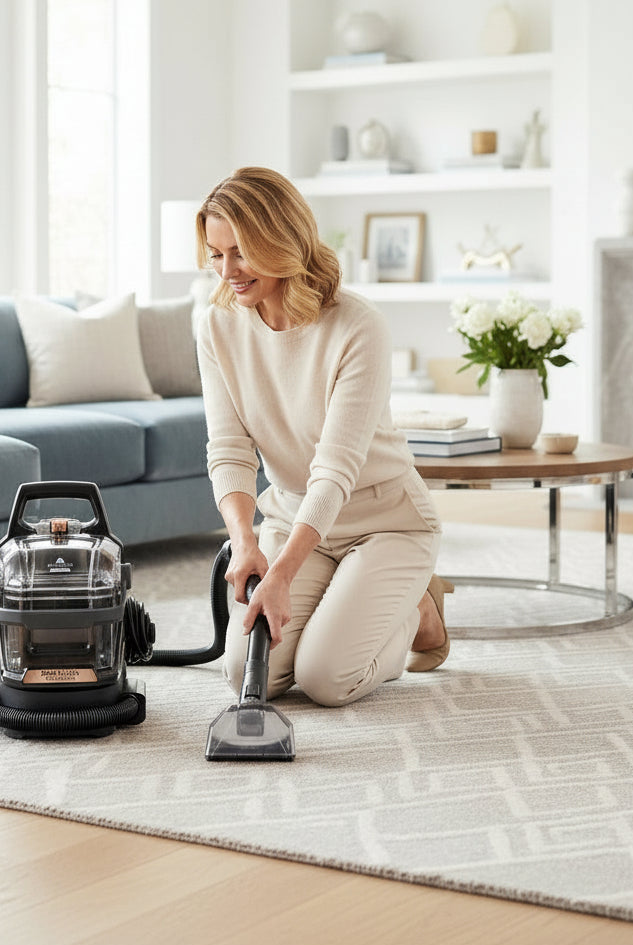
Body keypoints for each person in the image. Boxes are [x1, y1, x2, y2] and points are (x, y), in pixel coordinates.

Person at [194, 166, 453, 708]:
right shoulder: (216, 325)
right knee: (250, 675)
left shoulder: (357, 325)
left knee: (327, 678)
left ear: (280, 240)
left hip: (384, 522)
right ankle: (362, 598)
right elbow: (230, 447)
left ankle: (416, 610)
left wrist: (283, 573)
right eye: (216, 255)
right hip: (292, 516)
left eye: (240, 252)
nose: (227, 272)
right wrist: (246, 543)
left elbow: (336, 468)